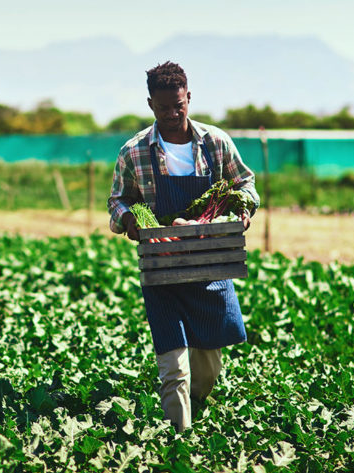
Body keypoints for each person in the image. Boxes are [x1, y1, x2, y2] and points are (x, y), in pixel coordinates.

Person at [107, 61, 260, 432]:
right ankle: (179, 437)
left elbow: (246, 185)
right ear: (150, 105)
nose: (173, 114)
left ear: (188, 97)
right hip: (162, 269)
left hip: (210, 264)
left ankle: (199, 409)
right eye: (163, 108)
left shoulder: (216, 143)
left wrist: (243, 210)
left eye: (179, 105)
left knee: (207, 368)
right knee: (173, 366)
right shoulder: (134, 151)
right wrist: (129, 219)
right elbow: (117, 200)